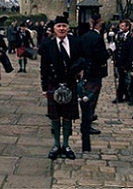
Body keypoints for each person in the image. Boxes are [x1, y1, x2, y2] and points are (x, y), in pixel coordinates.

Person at [39, 13, 81, 160]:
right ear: (54, 28)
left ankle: (66, 145)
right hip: (53, 84)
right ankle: (56, 144)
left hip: (70, 84)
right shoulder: (47, 44)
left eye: (64, 26)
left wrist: (78, 71)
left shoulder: (76, 42)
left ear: (68, 28)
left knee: (68, 117)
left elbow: (83, 59)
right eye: (59, 26)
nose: (62, 28)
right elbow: (43, 67)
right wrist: (44, 87)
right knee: (55, 117)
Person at [79, 14, 114, 138]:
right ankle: (86, 125)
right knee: (91, 99)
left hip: (86, 71)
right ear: (99, 25)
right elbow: (101, 56)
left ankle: (87, 120)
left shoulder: (85, 36)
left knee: (87, 97)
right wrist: (110, 51)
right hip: (94, 72)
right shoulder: (97, 38)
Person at [113, 19, 133, 105]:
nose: (121, 28)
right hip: (119, 61)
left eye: (123, 26)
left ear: (127, 27)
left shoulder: (131, 36)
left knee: (126, 80)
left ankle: (125, 96)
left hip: (127, 61)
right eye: (120, 26)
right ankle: (122, 96)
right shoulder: (119, 35)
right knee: (121, 79)